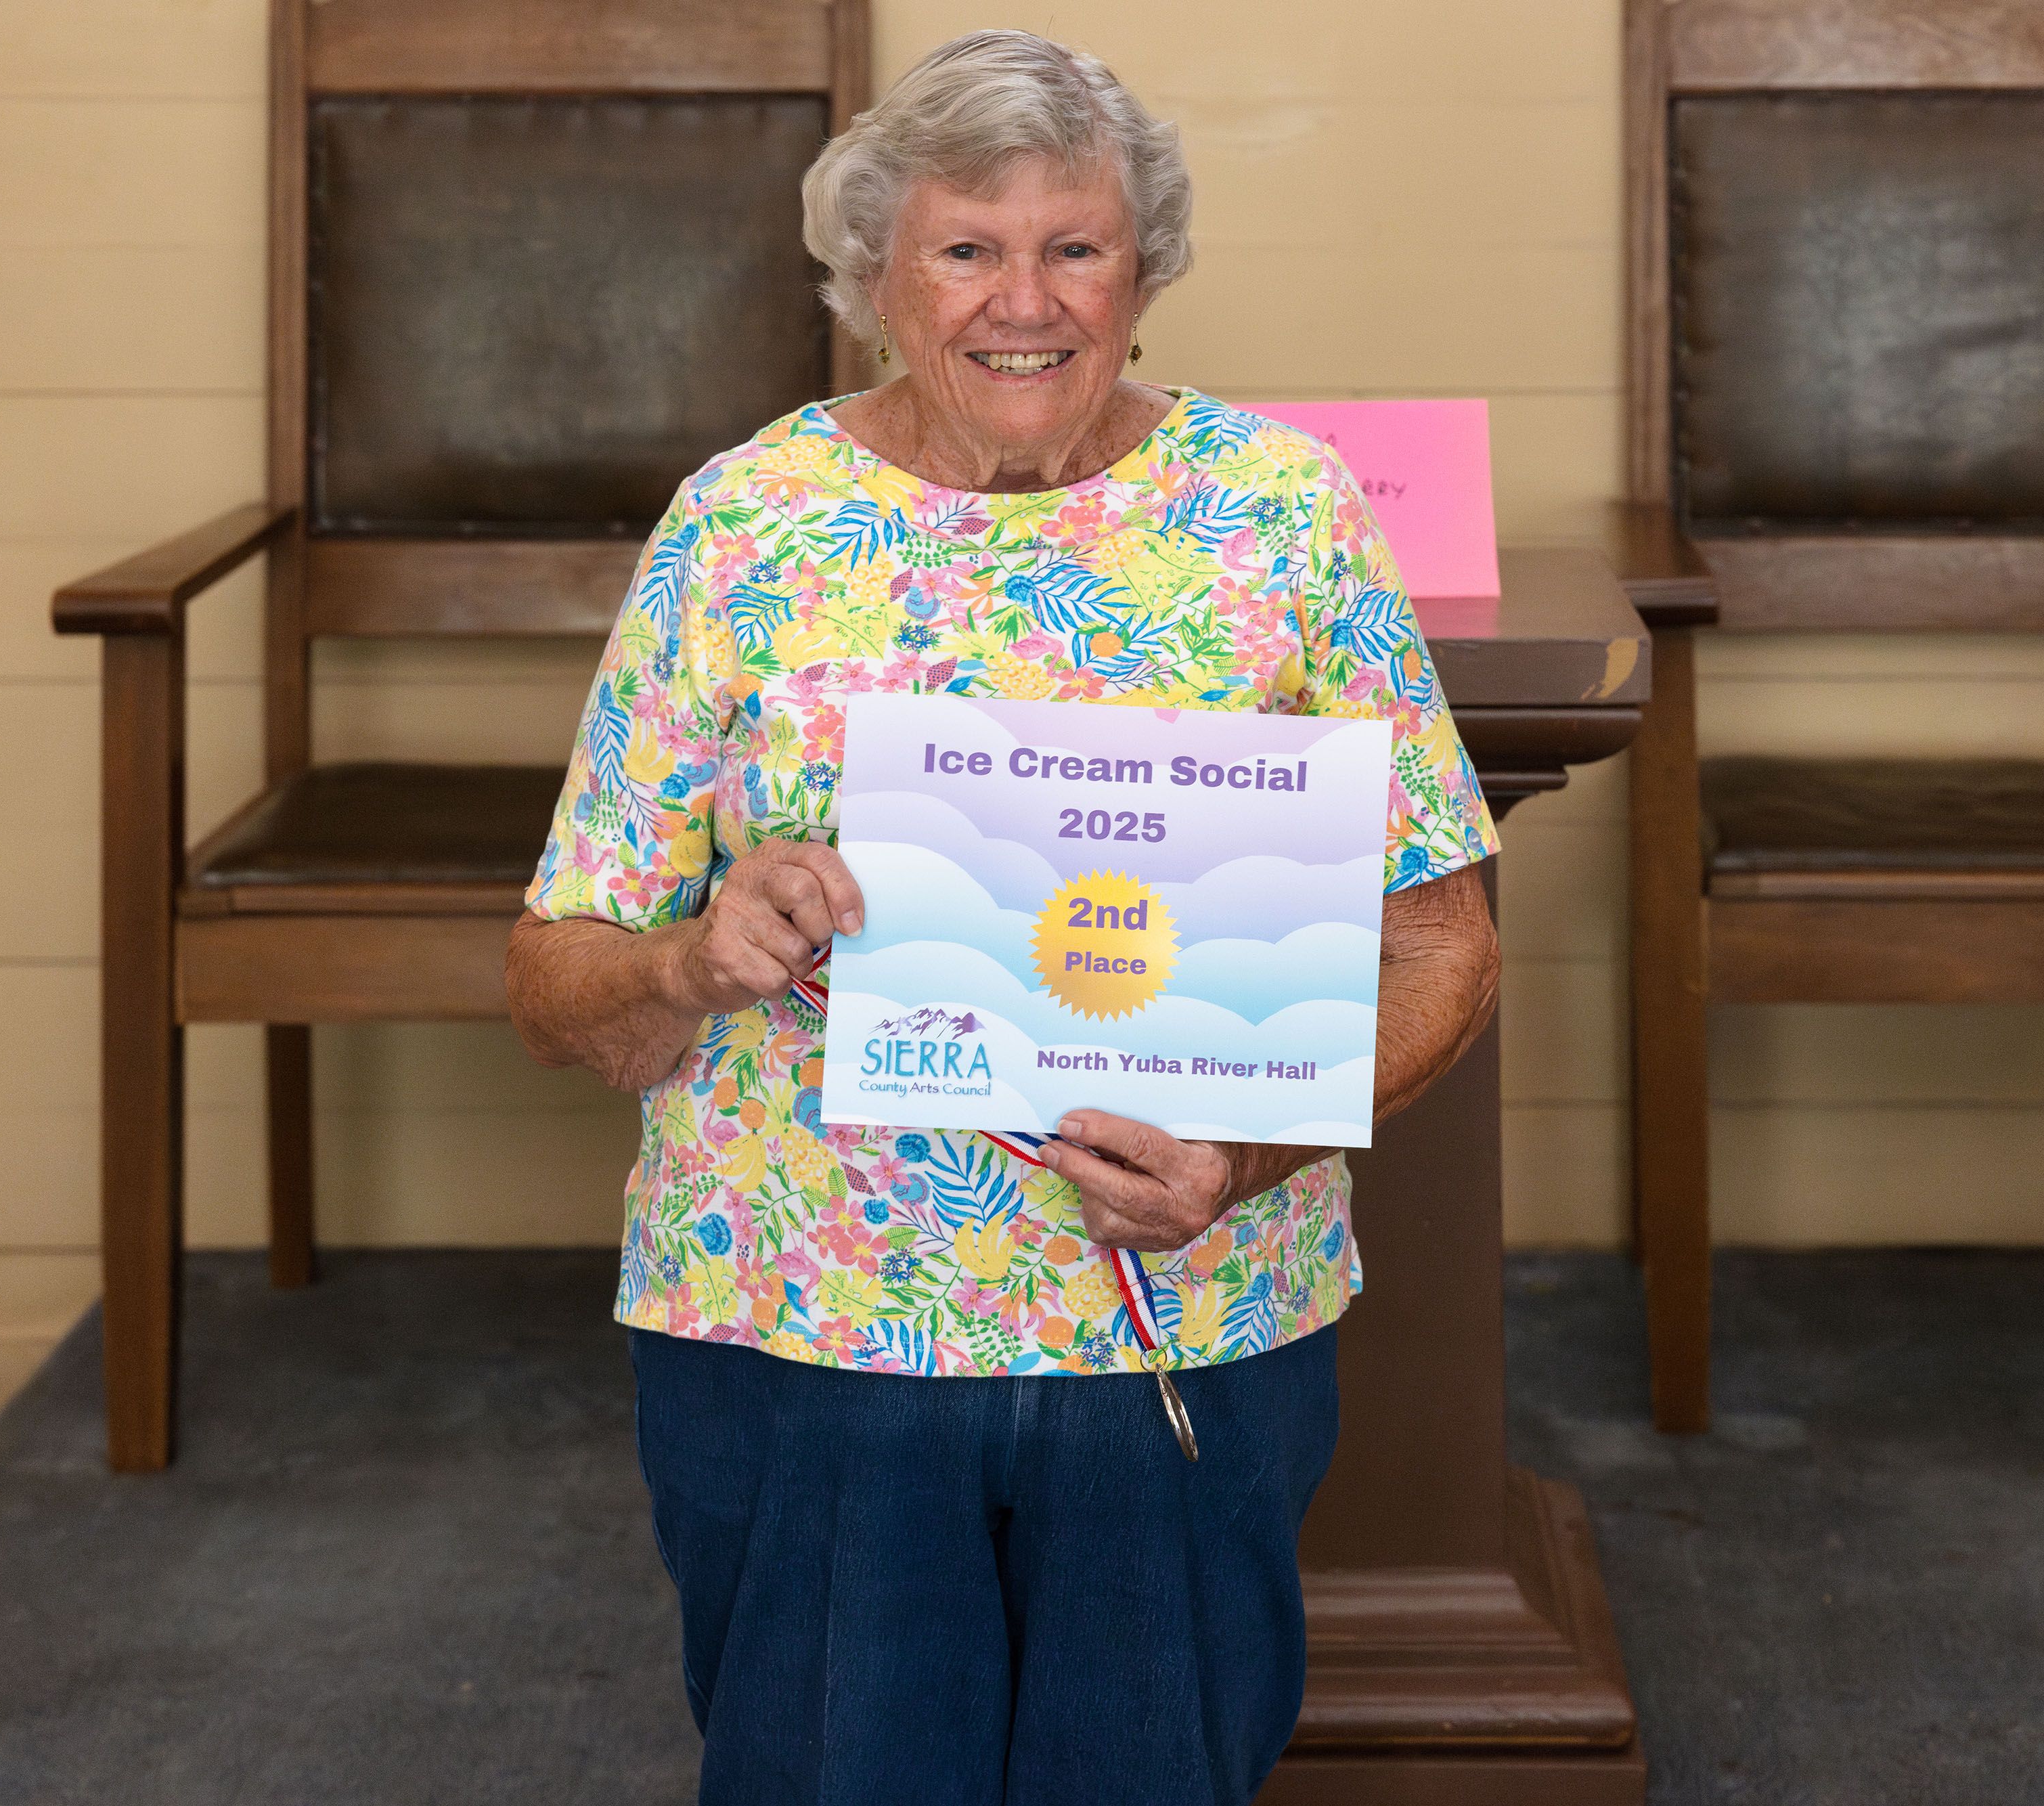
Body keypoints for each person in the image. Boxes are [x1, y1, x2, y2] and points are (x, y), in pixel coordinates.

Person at [506, 29, 1501, 1805]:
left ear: (1143, 271)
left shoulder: (1284, 521)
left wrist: (1249, 1153)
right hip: (811, 1339)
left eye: (1077, 247)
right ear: (877, 273)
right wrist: (688, 954)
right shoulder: (742, 531)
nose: (1021, 301)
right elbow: (560, 983)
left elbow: (1443, 943)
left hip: (1183, 1328)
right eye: (968, 247)